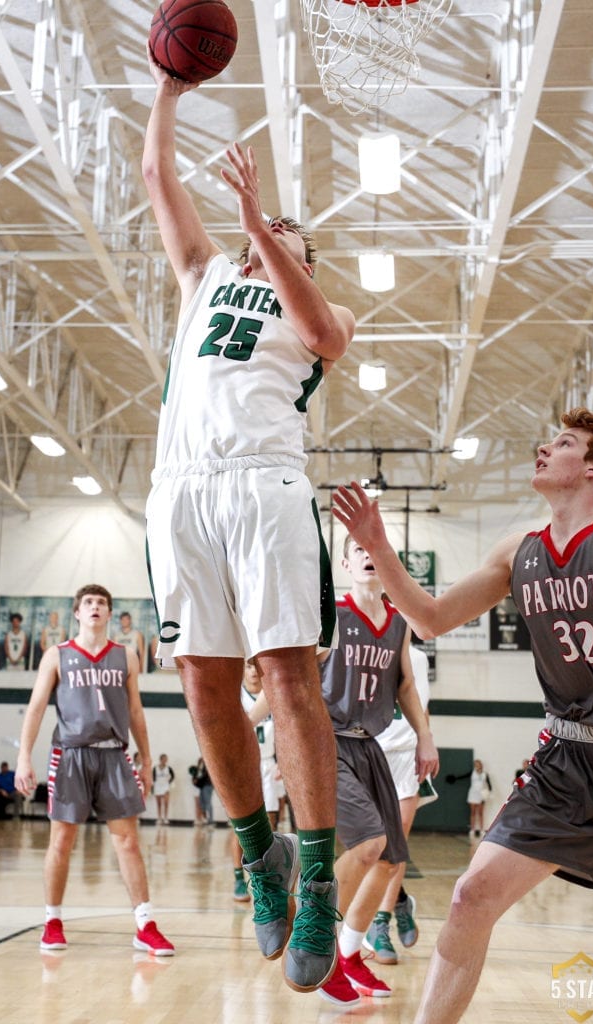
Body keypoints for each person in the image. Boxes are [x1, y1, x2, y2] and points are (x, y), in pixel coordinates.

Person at [141, 44, 355, 993]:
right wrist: (167, 89)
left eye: (281, 233)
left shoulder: (313, 300)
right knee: (199, 679)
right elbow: (154, 174)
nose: (263, 233)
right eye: (258, 231)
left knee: (287, 676)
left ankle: (315, 883)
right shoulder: (200, 277)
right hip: (179, 485)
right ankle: (257, 855)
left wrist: (259, 226)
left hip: (264, 482)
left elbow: (324, 337)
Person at [331, 407, 593, 1024]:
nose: (545, 447)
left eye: (563, 443)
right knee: (470, 896)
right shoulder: (520, 553)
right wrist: (379, 546)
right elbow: (430, 619)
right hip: (567, 754)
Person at [14, 583, 174, 957]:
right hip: (70, 755)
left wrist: (147, 760)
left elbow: (135, 712)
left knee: (128, 842)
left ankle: (145, 924)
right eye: (88, 602)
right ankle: (52, 921)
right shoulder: (57, 655)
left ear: (109, 613)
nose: (95, 607)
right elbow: (36, 708)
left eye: (102, 602)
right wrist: (24, 756)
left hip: (115, 755)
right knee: (62, 842)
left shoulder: (127, 656)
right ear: (77, 613)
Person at [316, 536, 439, 1006]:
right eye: (359, 550)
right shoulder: (330, 615)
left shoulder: (398, 624)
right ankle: (319, 942)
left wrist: (424, 735)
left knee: (389, 860)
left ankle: (349, 953)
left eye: (376, 549)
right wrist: (250, 724)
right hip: (330, 743)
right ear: (345, 563)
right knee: (368, 844)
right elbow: (295, 678)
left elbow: (406, 684)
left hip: (373, 747)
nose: (369, 555)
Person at [365, 643, 437, 965]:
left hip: (405, 756)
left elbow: (422, 708)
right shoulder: (361, 651)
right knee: (370, 849)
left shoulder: (418, 658)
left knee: (396, 845)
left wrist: (427, 742)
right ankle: (401, 901)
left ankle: (379, 925)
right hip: (366, 754)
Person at [231, 661, 285, 901]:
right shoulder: (234, 696)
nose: (253, 671)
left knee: (271, 822)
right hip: (242, 765)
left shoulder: (272, 693)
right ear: (242, 669)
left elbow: (285, 729)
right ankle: (237, 879)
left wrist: (283, 761)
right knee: (241, 827)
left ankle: (265, 877)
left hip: (268, 763)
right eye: (249, 666)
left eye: (256, 666)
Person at [465, 758, 491, 838]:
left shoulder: (485, 774)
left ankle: (481, 829)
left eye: (478, 764)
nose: (476, 765)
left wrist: (487, 793)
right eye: (475, 764)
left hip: (481, 795)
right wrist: (454, 778)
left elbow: (489, 785)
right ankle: (472, 829)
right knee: (473, 812)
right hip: (473, 794)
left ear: (481, 765)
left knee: (480, 813)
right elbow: (464, 776)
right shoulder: (472, 773)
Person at [153, 753, 174, 824]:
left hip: (165, 786)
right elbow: (153, 777)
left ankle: (166, 818)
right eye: (164, 759)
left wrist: (168, 782)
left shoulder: (169, 768)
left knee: (166, 803)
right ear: (160, 759)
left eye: (166, 759)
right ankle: (159, 818)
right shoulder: (155, 768)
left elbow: (173, 776)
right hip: (157, 786)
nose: (165, 760)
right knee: (159, 803)